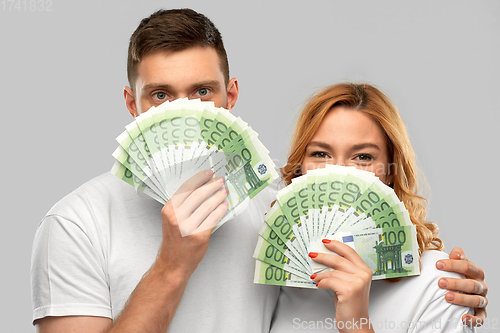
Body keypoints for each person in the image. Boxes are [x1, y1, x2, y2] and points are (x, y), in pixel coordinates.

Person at [30, 9, 488, 333]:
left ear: (231, 97)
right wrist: (172, 265)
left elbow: (363, 229)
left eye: (203, 91)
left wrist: (444, 284)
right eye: (161, 95)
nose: (185, 114)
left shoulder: (276, 195)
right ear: (132, 104)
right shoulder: (76, 224)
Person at [272, 82, 485, 332]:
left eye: (363, 157)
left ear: (391, 172)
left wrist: (358, 325)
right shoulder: (279, 273)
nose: (339, 173)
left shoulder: (439, 284)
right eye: (320, 154)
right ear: (300, 167)